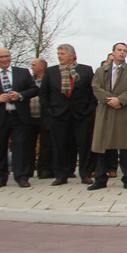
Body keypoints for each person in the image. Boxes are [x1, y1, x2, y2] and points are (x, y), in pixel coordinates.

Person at [0, 47, 39, 188]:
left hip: (18, 116)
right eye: (1, 57)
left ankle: (21, 177)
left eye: (7, 56)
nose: (4, 59)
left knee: (20, 148)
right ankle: (0, 178)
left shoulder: (22, 72)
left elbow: (34, 89)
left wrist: (20, 95)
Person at [40, 44, 96, 185]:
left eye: (63, 53)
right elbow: (44, 94)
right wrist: (50, 111)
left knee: (84, 145)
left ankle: (85, 174)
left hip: (82, 115)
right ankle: (61, 175)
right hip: (59, 115)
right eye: (58, 53)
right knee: (60, 146)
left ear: (72, 55)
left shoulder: (85, 70)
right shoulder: (51, 72)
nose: (59, 56)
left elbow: (93, 92)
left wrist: (89, 110)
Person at [88, 42, 127, 190]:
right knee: (102, 146)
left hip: (123, 111)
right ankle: (100, 179)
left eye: (125, 50)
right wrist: (110, 100)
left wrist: (120, 100)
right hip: (105, 111)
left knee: (125, 147)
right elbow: (96, 87)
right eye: (119, 50)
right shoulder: (101, 71)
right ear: (113, 52)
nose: (122, 52)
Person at [27, 57, 52, 178]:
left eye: (34, 65)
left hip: (44, 116)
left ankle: (43, 169)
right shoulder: (29, 81)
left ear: (42, 67)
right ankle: (28, 169)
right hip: (29, 116)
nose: (32, 67)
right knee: (29, 144)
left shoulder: (49, 80)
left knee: (45, 144)